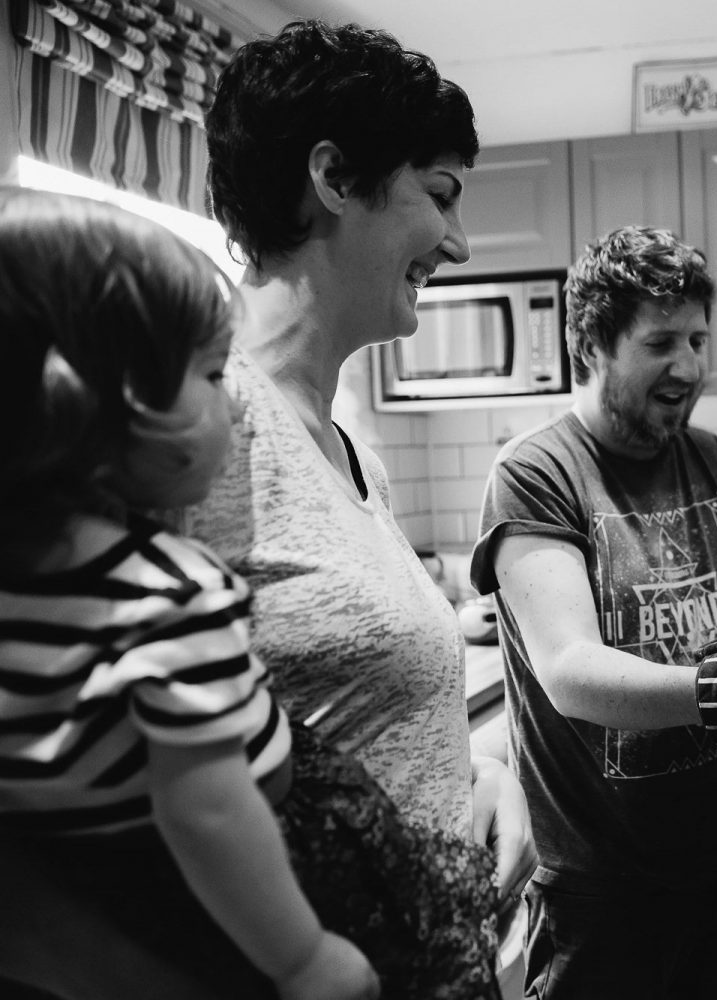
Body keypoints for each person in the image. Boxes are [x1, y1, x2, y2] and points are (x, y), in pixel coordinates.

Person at [0, 189, 507, 999]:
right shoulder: (170, 596)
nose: (236, 398)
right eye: (208, 373)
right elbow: (205, 809)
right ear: (105, 410)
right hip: (258, 942)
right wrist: (305, 960)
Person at [179, 16, 535, 924]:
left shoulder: (349, 452)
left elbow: (351, 726)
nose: (457, 244)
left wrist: (484, 778)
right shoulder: (203, 430)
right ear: (335, 179)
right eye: (440, 193)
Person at [469, 226, 717, 999]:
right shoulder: (536, 474)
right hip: (599, 891)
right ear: (593, 343)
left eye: (698, 339)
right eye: (661, 342)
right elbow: (570, 673)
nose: (689, 367)